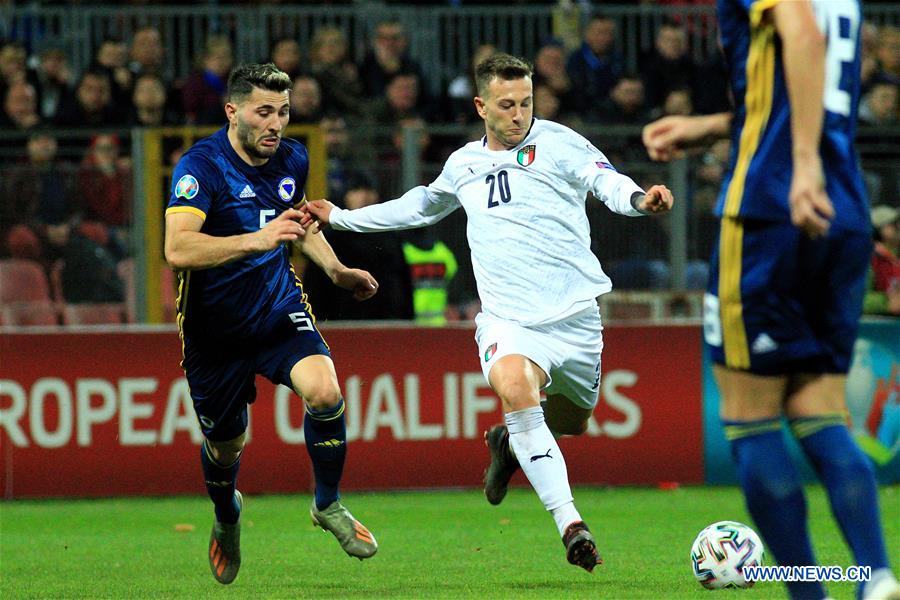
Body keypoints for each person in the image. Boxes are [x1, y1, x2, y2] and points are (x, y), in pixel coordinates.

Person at [301, 53, 673, 572]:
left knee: (574, 420)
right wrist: (341, 218)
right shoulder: (463, 165)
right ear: (481, 106)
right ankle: (571, 525)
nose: (519, 114)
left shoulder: (560, 142)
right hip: (508, 321)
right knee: (517, 391)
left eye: (526, 102)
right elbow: (420, 206)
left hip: (574, 316)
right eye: (506, 105)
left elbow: (604, 181)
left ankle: (509, 447)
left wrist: (638, 199)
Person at [642, 2, 899, 599]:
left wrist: (801, 165)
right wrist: (712, 125)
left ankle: (810, 593)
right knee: (820, 411)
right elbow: (803, 78)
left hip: (770, 207)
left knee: (751, 417)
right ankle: (874, 574)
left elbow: (802, 36)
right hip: (844, 211)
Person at [164, 63, 380, 585]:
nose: (275, 124)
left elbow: (296, 223)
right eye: (264, 112)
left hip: (276, 306)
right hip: (214, 332)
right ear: (232, 111)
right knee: (227, 447)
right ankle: (227, 515)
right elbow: (178, 248)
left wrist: (336, 269)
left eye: (283, 112)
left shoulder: (292, 158)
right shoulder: (201, 167)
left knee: (325, 391)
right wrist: (257, 241)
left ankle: (327, 505)